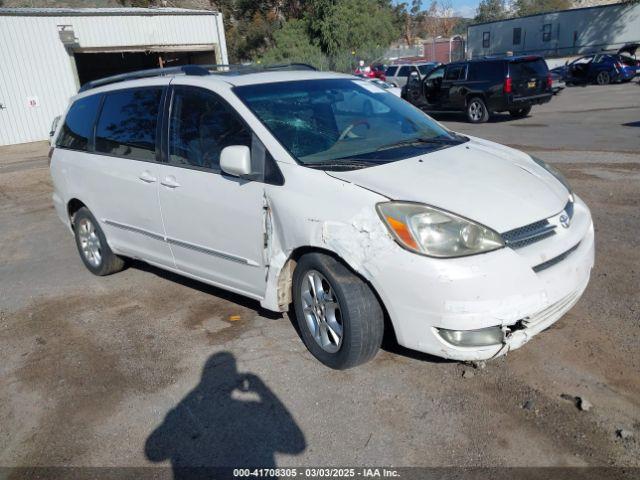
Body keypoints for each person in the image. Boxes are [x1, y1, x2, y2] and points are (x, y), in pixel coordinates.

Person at [145, 352, 306, 479]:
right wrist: (261, 389)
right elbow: (296, 445)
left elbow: (154, 452)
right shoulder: (255, 409)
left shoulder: (184, 414)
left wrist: (196, 392)